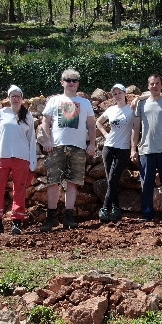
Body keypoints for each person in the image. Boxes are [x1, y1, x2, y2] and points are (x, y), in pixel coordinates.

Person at [40, 68, 97, 231]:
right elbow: (45, 122)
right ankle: (51, 217)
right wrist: (47, 140)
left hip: (78, 147)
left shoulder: (85, 103)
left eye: (75, 80)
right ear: (62, 82)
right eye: (68, 80)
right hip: (56, 146)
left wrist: (92, 143)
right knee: (53, 182)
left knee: (73, 183)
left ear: (78, 83)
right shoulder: (53, 101)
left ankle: (69, 216)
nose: (72, 83)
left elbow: (91, 125)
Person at [0, 85, 37, 235]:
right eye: (13, 95)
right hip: (3, 155)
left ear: (22, 98)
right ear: (9, 98)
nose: (16, 98)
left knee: (19, 189)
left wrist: (33, 161)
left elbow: (31, 139)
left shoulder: (27, 116)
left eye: (18, 95)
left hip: (22, 157)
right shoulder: (1, 113)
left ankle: (17, 222)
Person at [131, 74, 162, 222]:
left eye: (157, 83)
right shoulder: (141, 104)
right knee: (146, 184)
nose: (154, 86)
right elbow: (136, 127)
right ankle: (147, 215)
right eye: (152, 84)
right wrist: (133, 149)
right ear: (148, 86)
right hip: (146, 150)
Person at [95, 83, 133, 222]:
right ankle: (116, 210)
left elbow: (146, 96)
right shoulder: (110, 110)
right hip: (109, 147)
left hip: (123, 148)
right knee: (111, 180)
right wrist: (105, 134)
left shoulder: (131, 109)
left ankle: (105, 208)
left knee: (113, 179)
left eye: (119, 92)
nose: (117, 95)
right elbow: (98, 122)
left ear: (125, 93)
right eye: (114, 93)